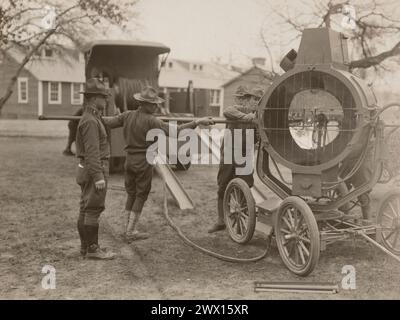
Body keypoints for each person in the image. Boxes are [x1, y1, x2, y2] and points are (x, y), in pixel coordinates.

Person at [103, 86, 214, 242]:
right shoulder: (152, 121)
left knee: (131, 193)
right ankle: (131, 231)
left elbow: (108, 121)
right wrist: (197, 121)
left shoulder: (127, 115)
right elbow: (177, 131)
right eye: (153, 104)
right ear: (145, 104)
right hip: (143, 162)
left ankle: (127, 228)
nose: (156, 106)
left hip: (129, 161)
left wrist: (93, 116)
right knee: (141, 195)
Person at [208, 85, 259, 233]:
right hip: (229, 154)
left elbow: (257, 134)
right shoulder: (234, 110)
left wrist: (256, 132)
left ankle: (242, 222)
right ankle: (221, 221)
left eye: (256, 99)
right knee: (223, 186)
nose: (243, 100)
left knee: (245, 187)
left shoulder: (256, 114)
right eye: (240, 97)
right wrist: (247, 117)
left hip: (244, 154)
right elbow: (227, 111)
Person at [75, 78, 116, 260]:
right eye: (103, 96)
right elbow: (92, 152)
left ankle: (86, 248)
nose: (106, 99)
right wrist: (98, 176)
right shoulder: (90, 121)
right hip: (94, 168)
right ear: (93, 99)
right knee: (93, 208)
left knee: (85, 208)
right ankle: (92, 249)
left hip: (87, 168)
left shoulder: (91, 117)